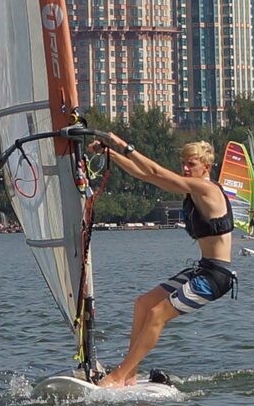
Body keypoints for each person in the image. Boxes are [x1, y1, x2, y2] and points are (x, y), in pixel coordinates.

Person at [89, 135, 236, 388]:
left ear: (206, 167)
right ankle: (130, 374)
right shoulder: (191, 188)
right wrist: (110, 154)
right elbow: (147, 175)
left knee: (157, 314)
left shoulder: (207, 189)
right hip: (201, 270)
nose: (186, 169)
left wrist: (120, 143)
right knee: (143, 304)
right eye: (184, 164)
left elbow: (156, 169)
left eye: (191, 164)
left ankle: (118, 375)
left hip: (216, 278)